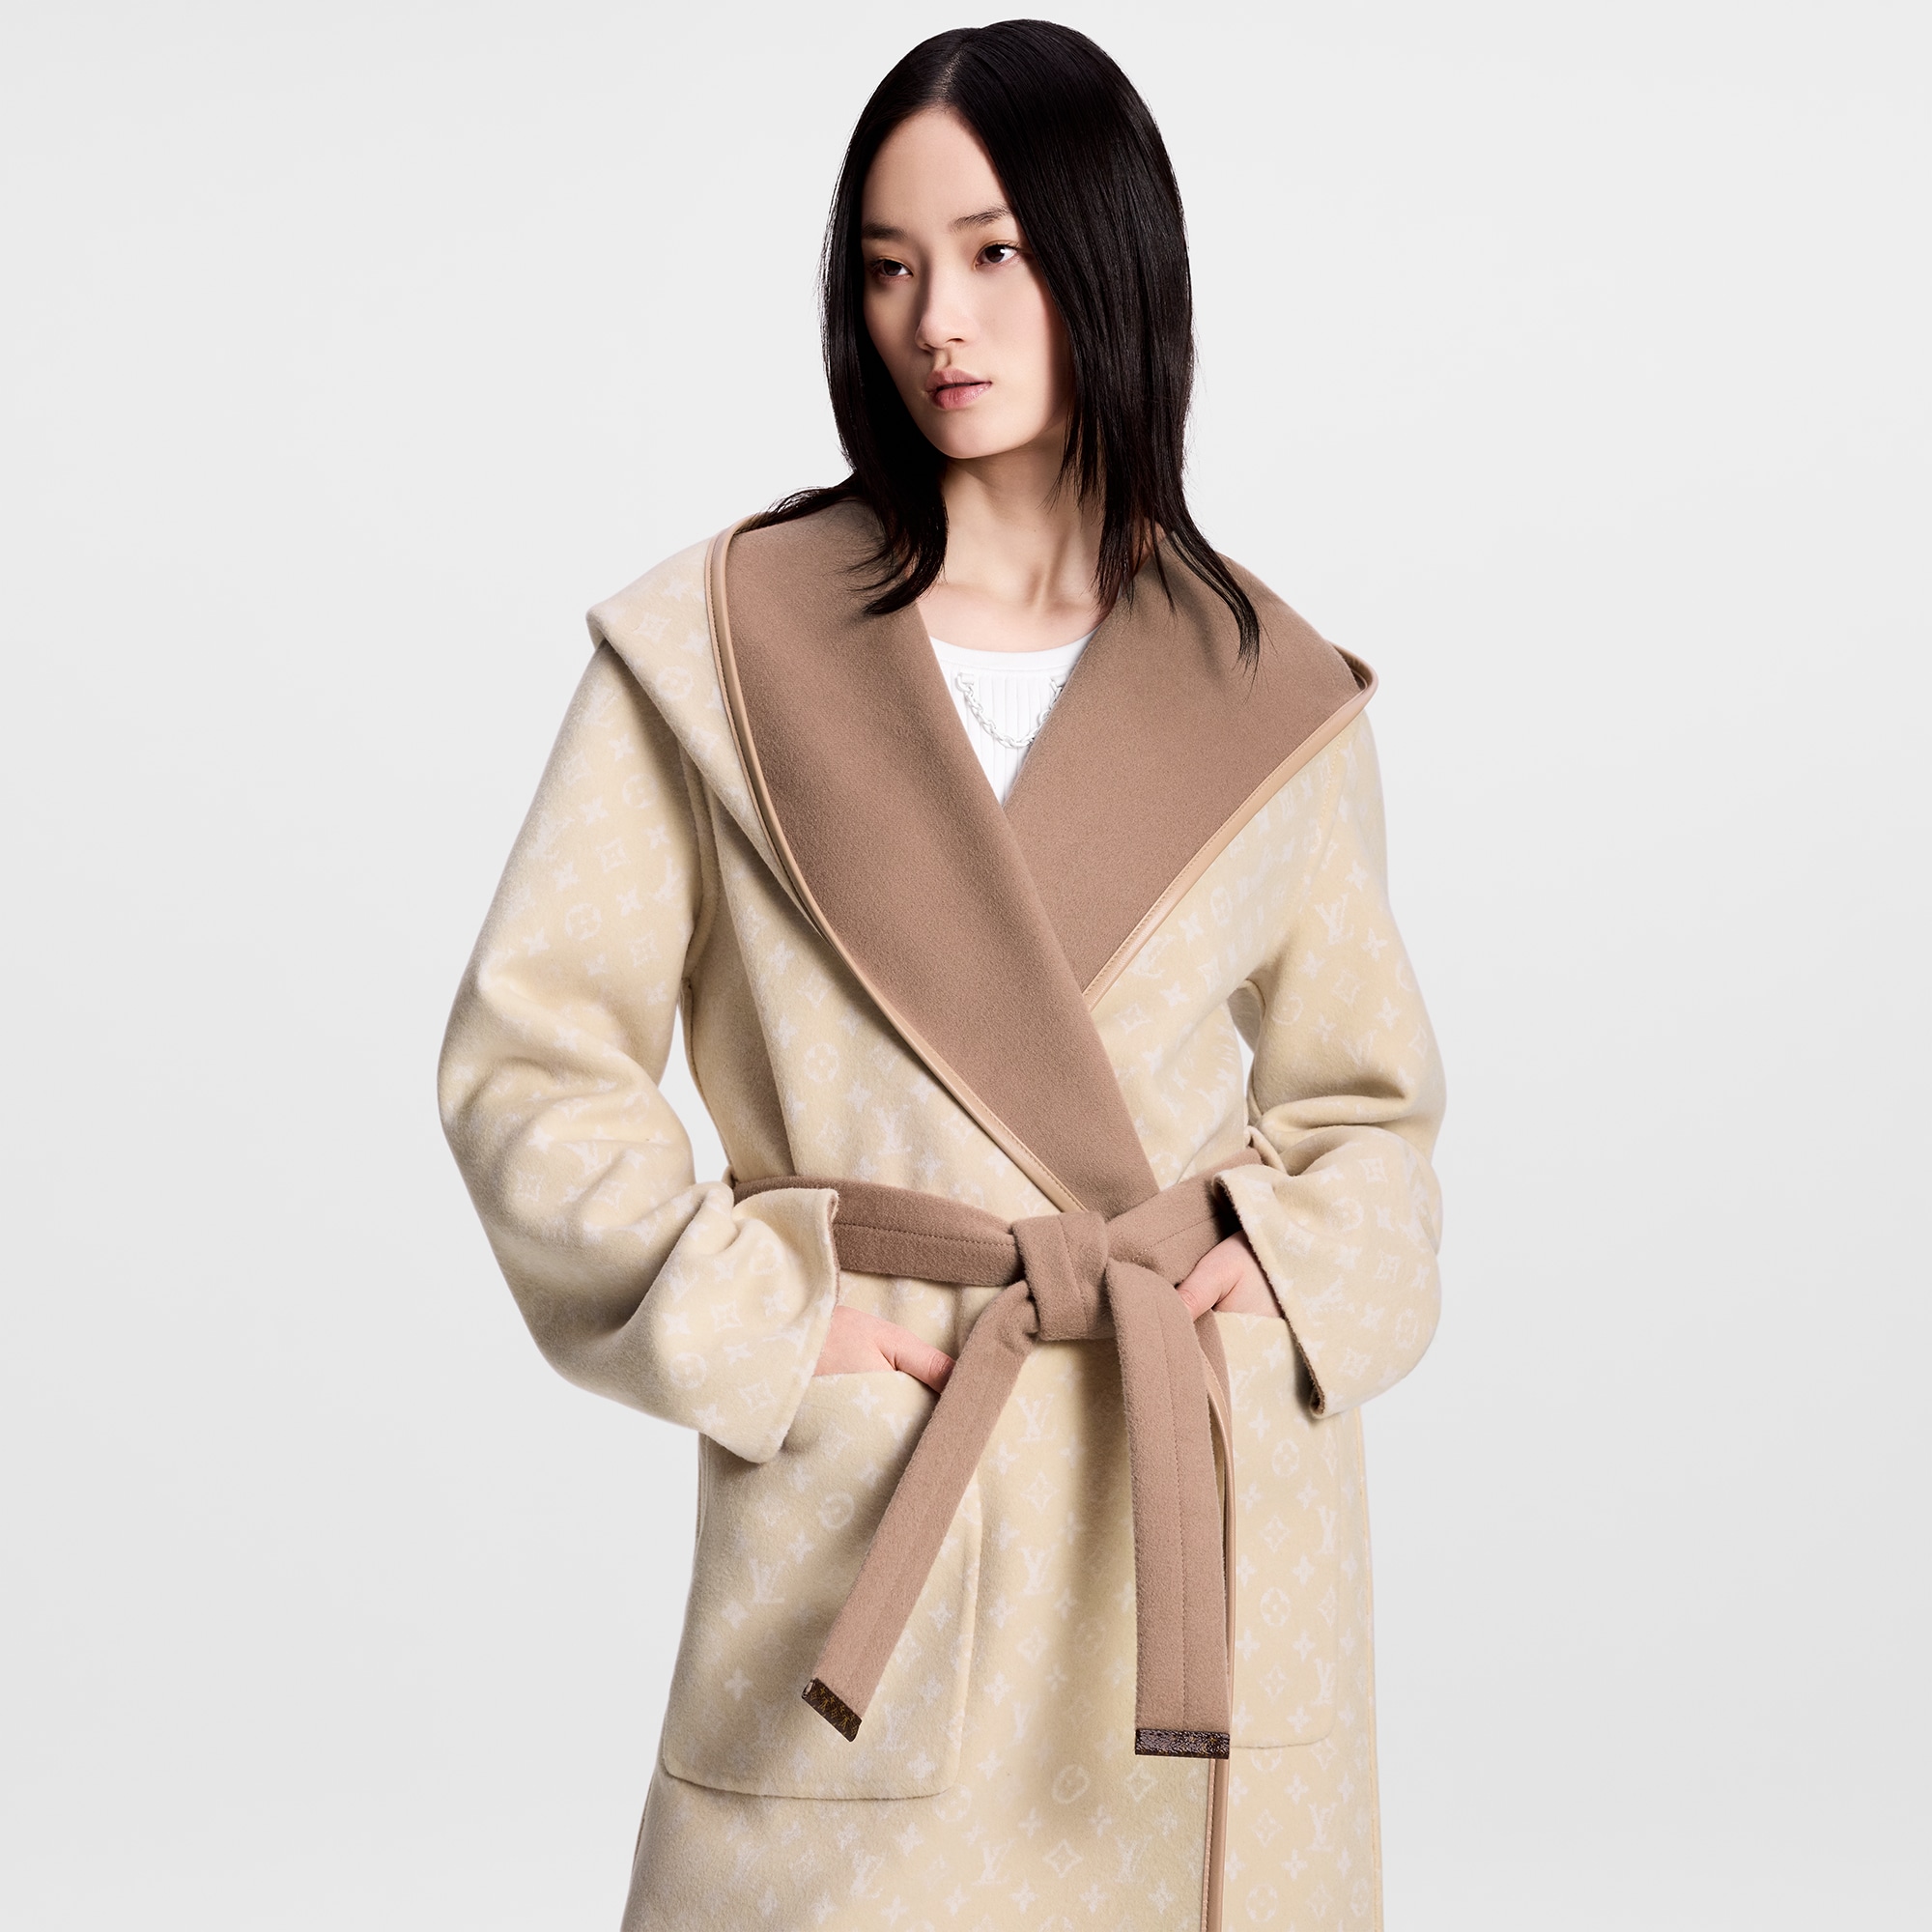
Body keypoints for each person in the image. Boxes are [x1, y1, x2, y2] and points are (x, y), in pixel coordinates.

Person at [439, 20, 1445, 1931]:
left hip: (1191, 1486)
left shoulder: (1268, 686)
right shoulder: (720, 649)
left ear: (1110, 258)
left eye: (994, 253)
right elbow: (530, 1061)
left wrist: (1281, 1270)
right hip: (895, 1460)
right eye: (890, 266)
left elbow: (1369, 1107)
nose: (938, 322)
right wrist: (756, 1315)